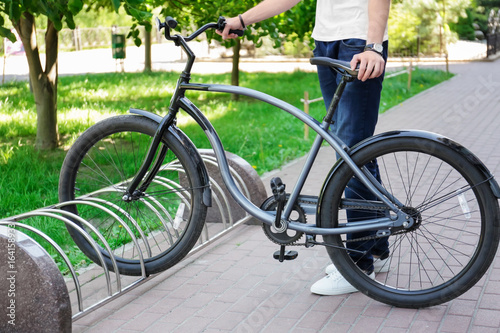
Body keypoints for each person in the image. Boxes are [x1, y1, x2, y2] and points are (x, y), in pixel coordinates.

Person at [218, 0, 391, 296]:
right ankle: (374, 245)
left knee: (349, 156)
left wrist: (373, 46)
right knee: (354, 151)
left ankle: (357, 265)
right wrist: (242, 19)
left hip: (358, 43)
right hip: (325, 42)